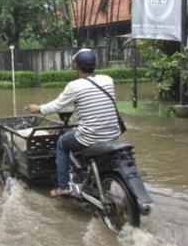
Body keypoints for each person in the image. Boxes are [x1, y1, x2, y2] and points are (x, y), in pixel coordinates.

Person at [26, 48, 121, 197]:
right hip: (113, 134)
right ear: (95, 65)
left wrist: (37, 108)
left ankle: (63, 186)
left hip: (90, 137)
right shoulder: (108, 80)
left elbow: (56, 106)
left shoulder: (74, 86)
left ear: (76, 66)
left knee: (62, 142)